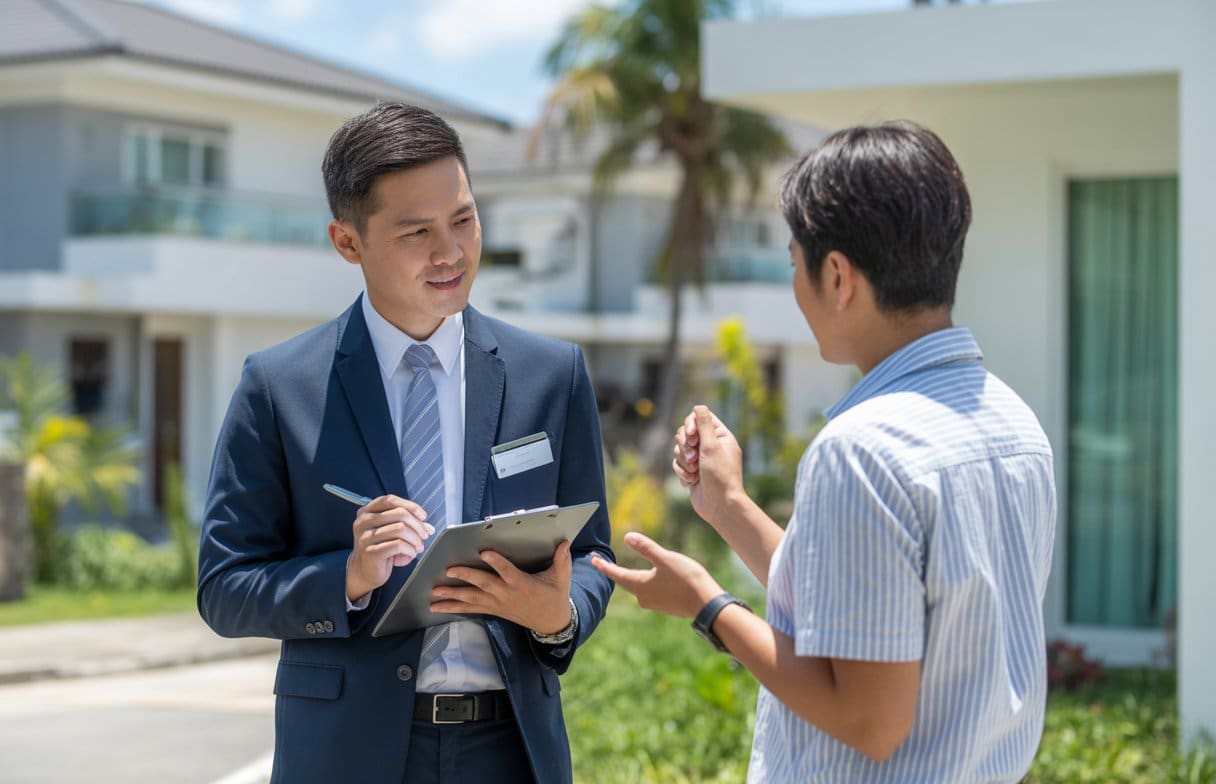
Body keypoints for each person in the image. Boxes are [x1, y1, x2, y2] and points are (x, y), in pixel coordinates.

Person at [593, 121, 1057, 782]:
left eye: (793, 262)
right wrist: (727, 507)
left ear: (837, 275)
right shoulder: (1015, 425)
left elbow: (868, 718)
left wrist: (708, 604)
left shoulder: (863, 449)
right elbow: (863, 607)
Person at [197, 102, 614, 784]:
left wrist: (559, 614)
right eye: (417, 231)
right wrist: (349, 577)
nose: (450, 252)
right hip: (344, 755)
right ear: (347, 241)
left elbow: (594, 554)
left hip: (511, 752)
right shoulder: (278, 387)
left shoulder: (553, 374)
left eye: (464, 219)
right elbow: (224, 586)